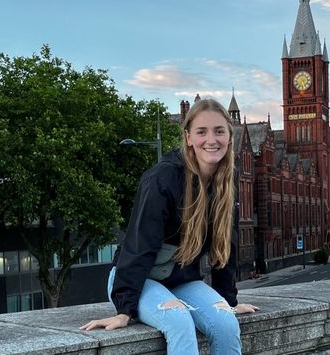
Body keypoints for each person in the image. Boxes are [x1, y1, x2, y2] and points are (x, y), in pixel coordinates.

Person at [80, 99, 259, 354]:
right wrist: (125, 310)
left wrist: (226, 301)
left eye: (219, 131)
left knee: (226, 324)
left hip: (180, 281)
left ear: (230, 137)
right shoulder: (162, 179)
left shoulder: (226, 180)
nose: (211, 140)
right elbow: (138, 246)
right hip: (138, 281)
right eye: (201, 132)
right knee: (179, 322)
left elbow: (225, 248)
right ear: (188, 138)